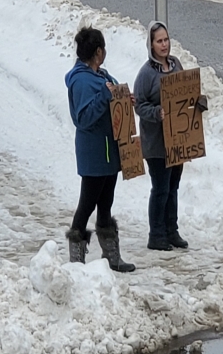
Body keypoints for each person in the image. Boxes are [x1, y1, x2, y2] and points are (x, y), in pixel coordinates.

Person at [64, 26, 135, 273]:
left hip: (109, 153)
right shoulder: (81, 81)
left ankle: (111, 256)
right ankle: (76, 260)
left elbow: (111, 99)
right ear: (98, 52)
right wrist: (105, 97)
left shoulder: (101, 75)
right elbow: (83, 118)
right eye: (103, 49)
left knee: (106, 203)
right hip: (94, 154)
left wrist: (124, 99)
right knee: (87, 203)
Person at [133, 20, 189, 251]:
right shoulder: (146, 74)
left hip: (176, 140)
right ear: (151, 45)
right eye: (159, 41)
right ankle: (156, 235)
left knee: (173, 186)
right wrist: (157, 112)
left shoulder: (176, 65)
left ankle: (171, 230)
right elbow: (139, 105)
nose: (164, 45)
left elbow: (186, 90)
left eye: (166, 40)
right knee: (161, 188)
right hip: (156, 142)